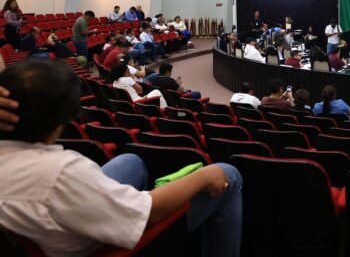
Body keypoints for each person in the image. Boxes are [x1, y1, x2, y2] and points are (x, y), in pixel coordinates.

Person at [0, 60, 242, 257]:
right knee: (228, 174)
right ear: (62, 121)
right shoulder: (62, 172)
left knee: (130, 161)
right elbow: (147, 213)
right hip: (109, 240)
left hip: (49, 208)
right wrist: (202, 177)